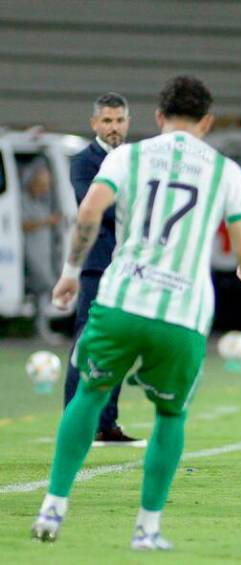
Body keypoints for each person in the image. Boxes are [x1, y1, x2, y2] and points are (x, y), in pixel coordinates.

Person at [31, 75, 241, 550]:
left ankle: (53, 505)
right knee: (170, 416)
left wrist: (69, 272)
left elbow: (88, 213)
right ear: (207, 121)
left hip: (122, 300)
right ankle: (147, 529)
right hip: (183, 314)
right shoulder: (225, 171)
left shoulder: (128, 156)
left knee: (88, 393)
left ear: (158, 117)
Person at [63, 92, 143, 446]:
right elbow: (93, 208)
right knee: (86, 341)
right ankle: (74, 422)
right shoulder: (84, 161)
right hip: (98, 266)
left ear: (128, 122)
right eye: (107, 121)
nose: (114, 127)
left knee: (121, 344)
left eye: (120, 120)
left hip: (131, 267)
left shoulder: (136, 159)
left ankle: (107, 422)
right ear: (94, 123)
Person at [20, 158, 61, 343]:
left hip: (44, 251)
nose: (44, 188)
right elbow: (23, 224)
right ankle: (41, 329)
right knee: (44, 283)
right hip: (30, 250)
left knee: (43, 288)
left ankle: (41, 327)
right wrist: (47, 221)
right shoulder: (22, 200)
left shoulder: (43, 201)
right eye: (41, 184)